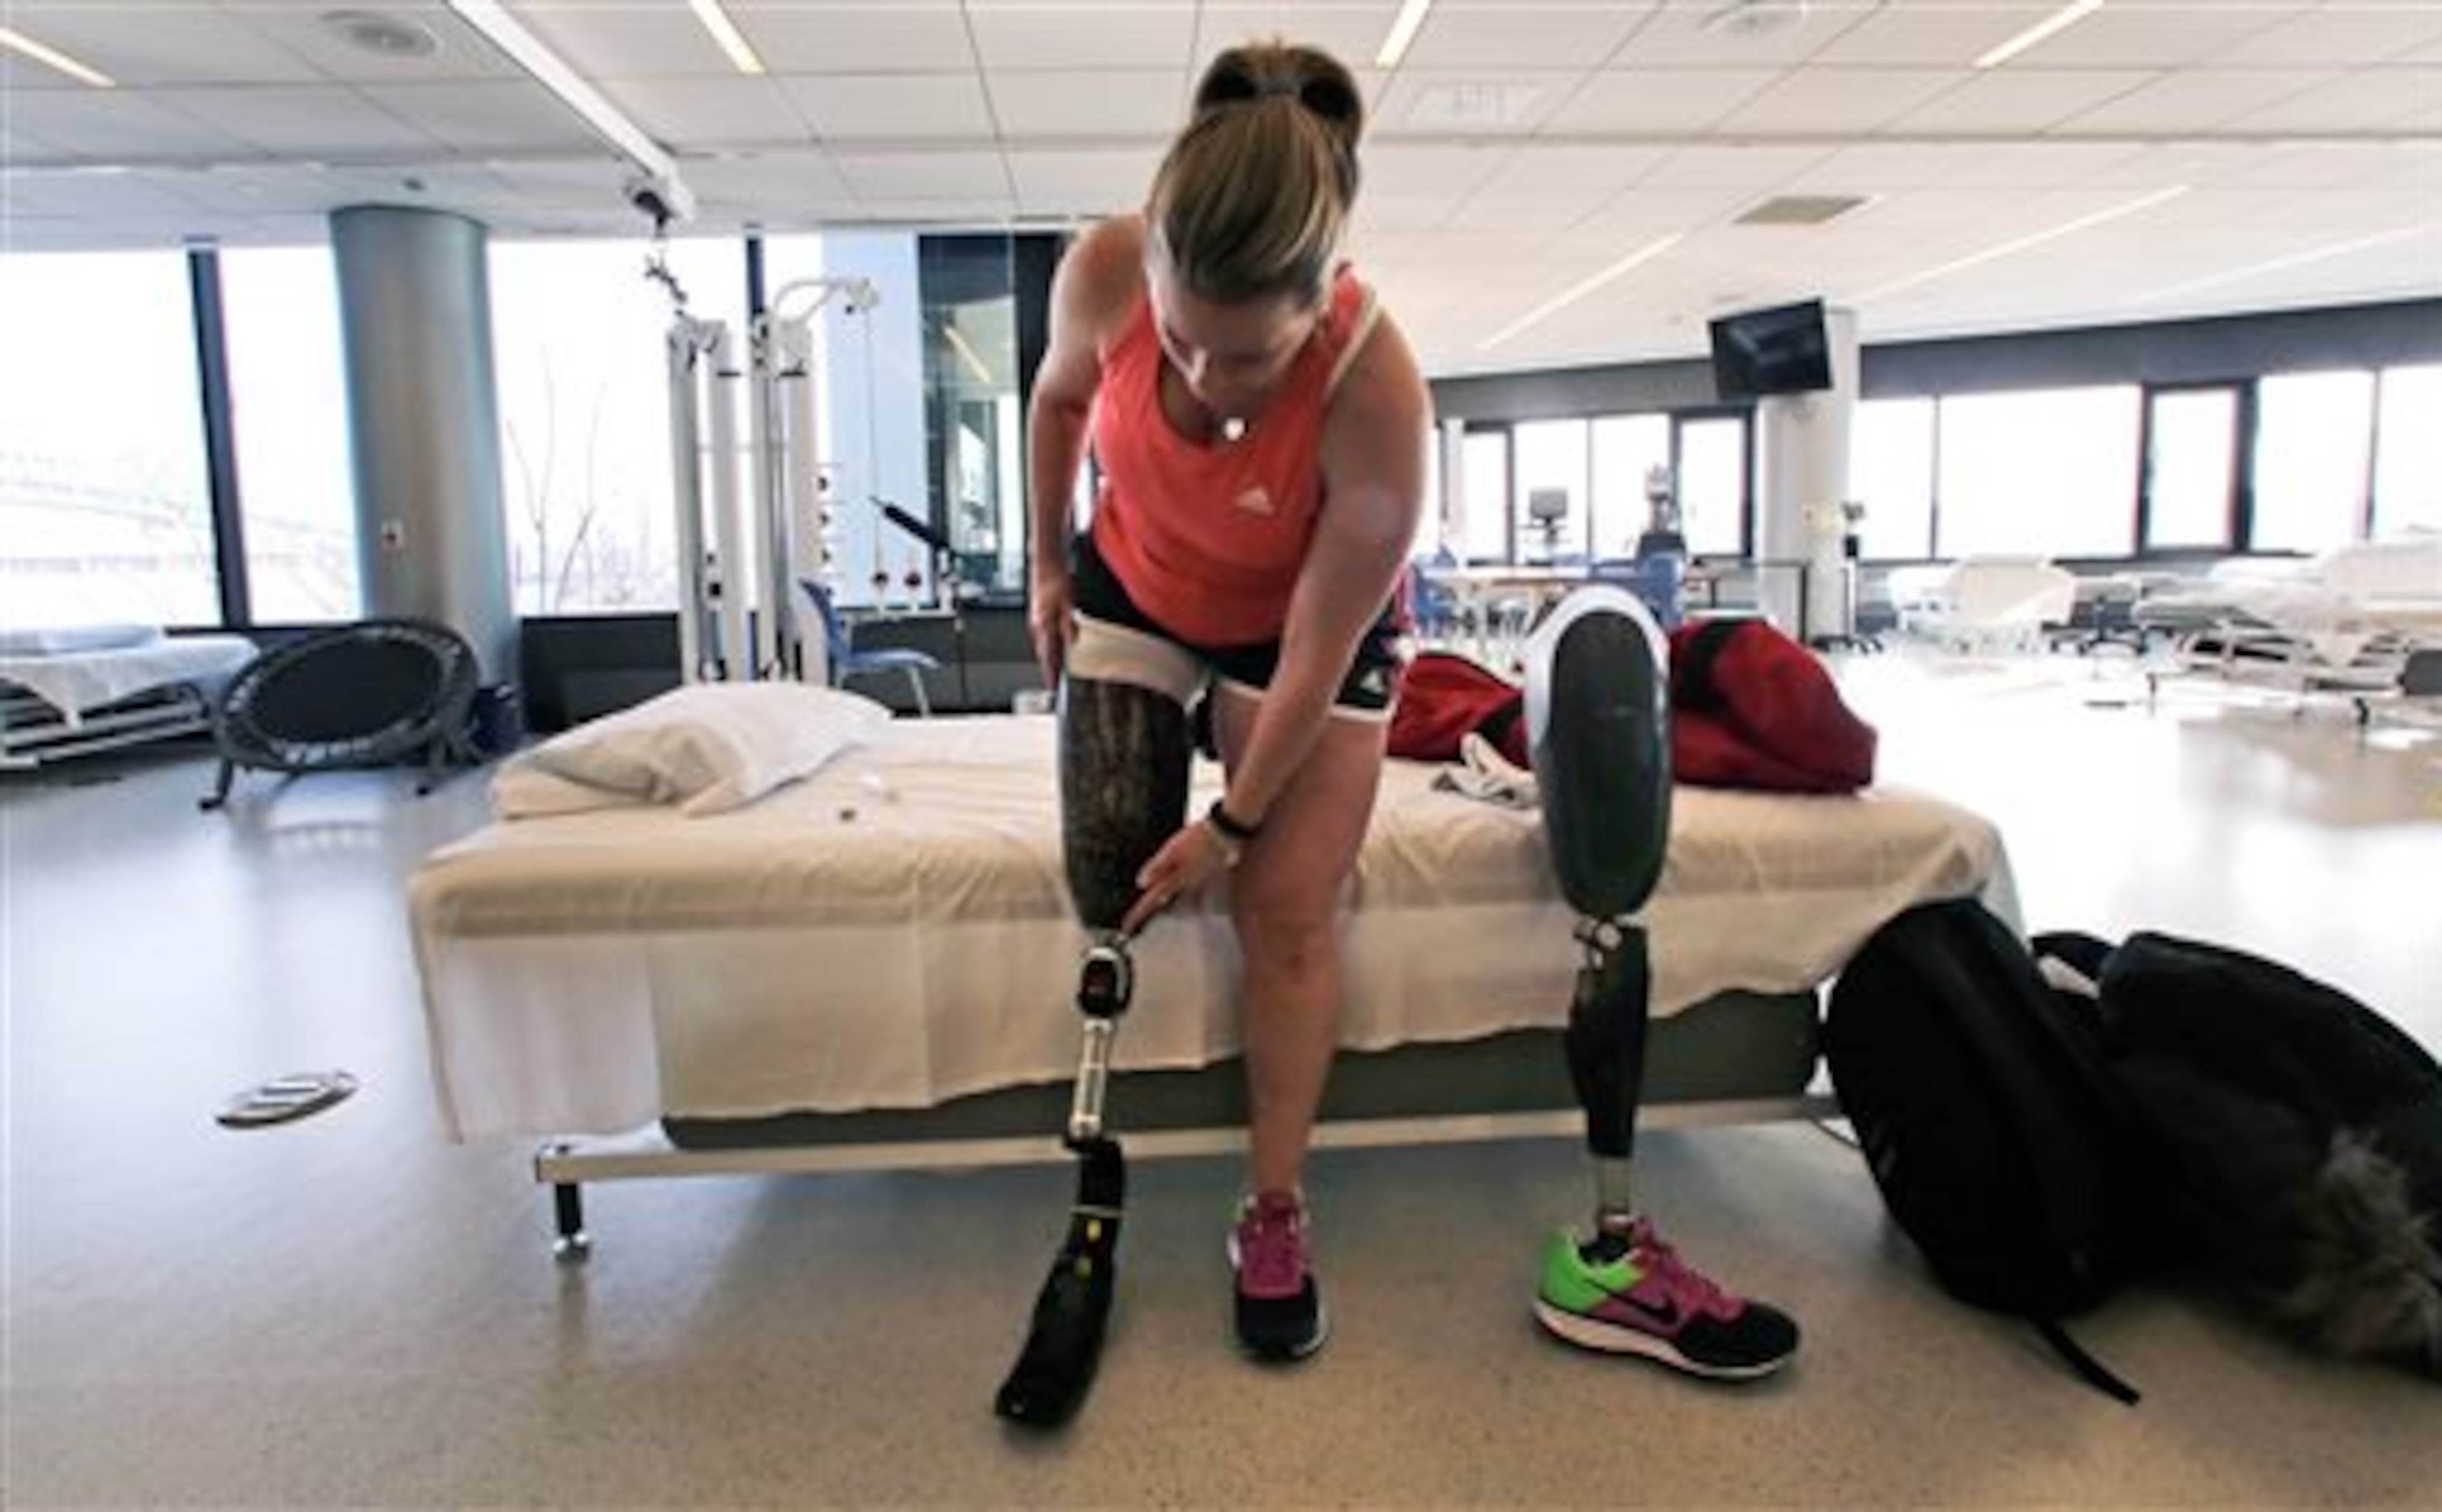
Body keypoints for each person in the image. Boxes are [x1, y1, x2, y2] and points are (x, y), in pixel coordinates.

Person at [1026, 38, 1419, 1363]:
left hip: (1293, 623)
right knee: (1110, 876)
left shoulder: (1375, 394)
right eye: (1184, 341)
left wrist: (1235, 825)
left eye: (1248, 359)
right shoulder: (1102, 269)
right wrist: (1044, 567)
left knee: (1284, 912)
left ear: (1320, 304)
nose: (1204, 380)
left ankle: (1275, 1206)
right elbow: (1059, 401)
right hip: (1138, 581)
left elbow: (1314, 651)